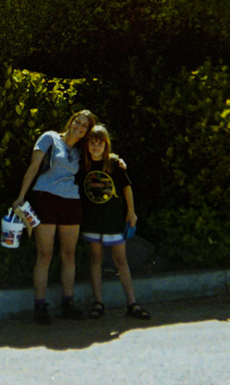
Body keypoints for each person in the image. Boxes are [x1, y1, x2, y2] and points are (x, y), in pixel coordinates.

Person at [13, 110, 96, 324]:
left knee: (69, 254)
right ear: (71, 121)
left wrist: (119, 162)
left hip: (71, 200)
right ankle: (40, 305)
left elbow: (102, 154)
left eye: (84, 125)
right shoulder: (49, 138)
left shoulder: (82, 150)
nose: (79, 126)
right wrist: (21, 196)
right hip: (46, 197)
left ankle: (68, 302)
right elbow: (33, 167)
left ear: (87, 130)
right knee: (45, 254)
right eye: (77, 121)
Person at [79, 124, 150, 320]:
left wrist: (131, 212)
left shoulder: (114, 164)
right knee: (95, 259)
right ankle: (98, 302)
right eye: (92, 144)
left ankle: (132, 303)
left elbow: (127, 188)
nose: (95, 147)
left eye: (99, 144)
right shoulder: (82, 165)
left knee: (121, 260)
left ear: (106, 145)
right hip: (92, 221)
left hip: (114, 221)